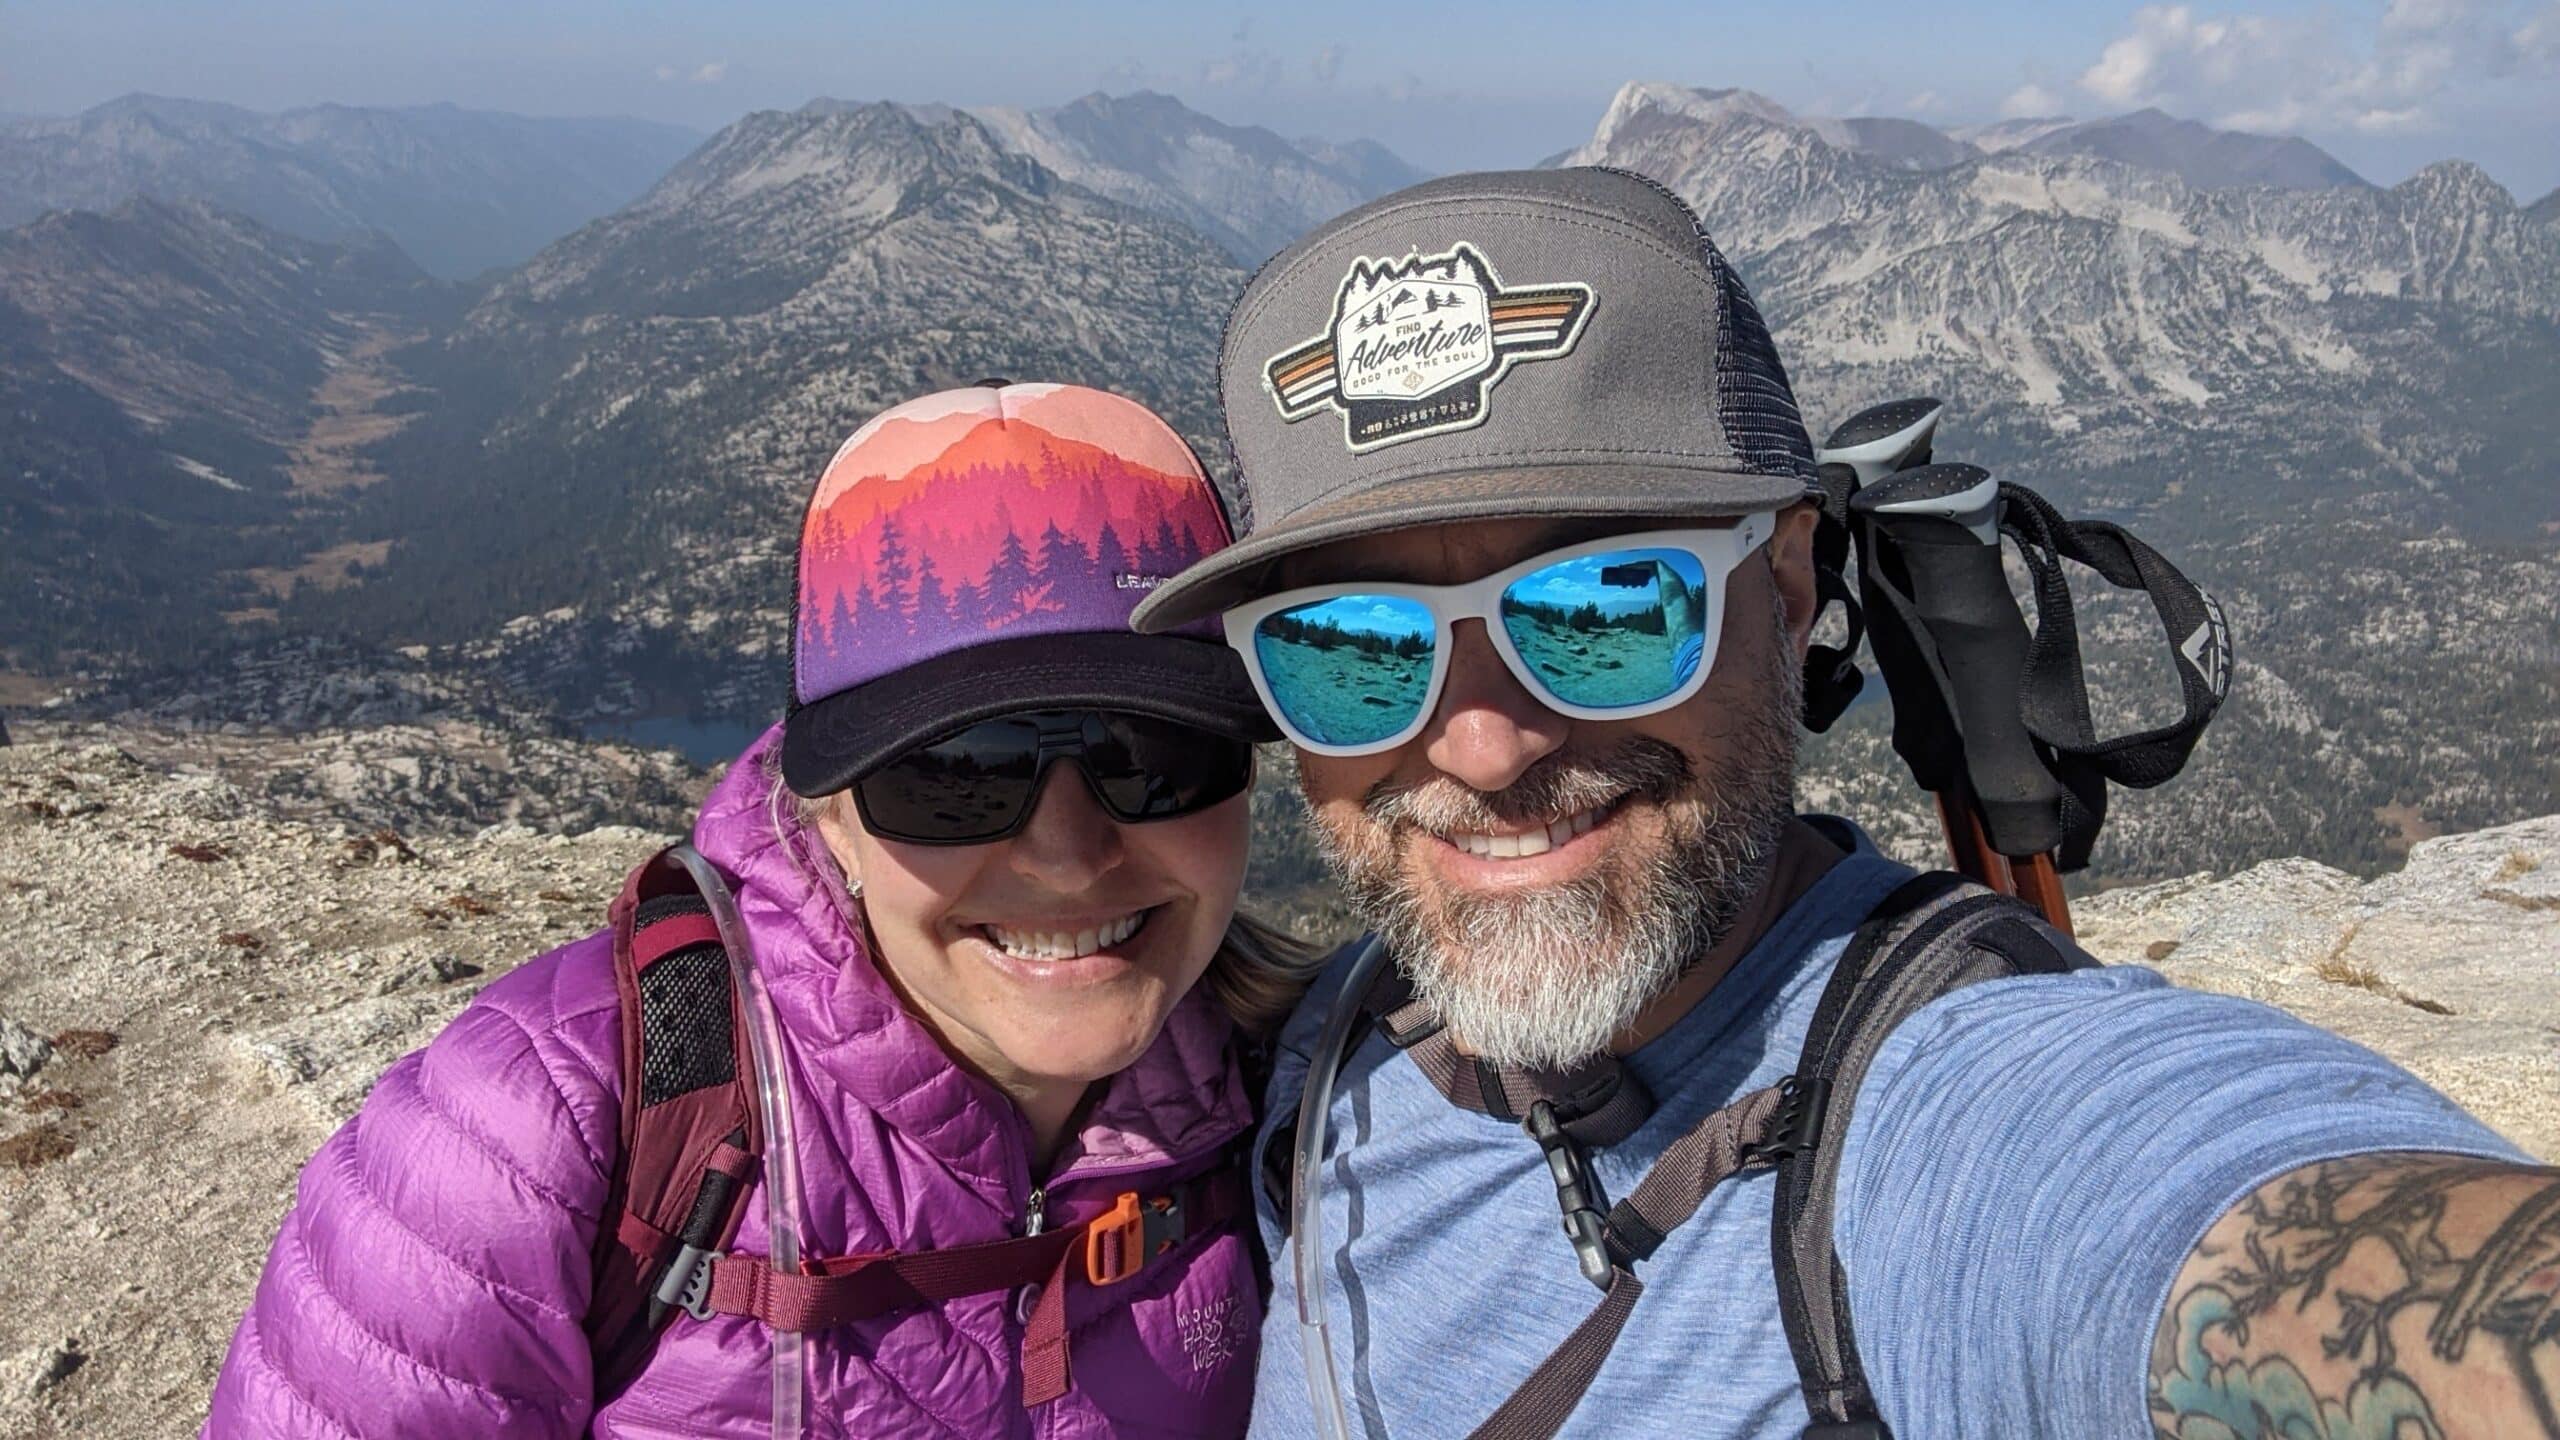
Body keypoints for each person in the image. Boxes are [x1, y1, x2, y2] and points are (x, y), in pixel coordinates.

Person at [1131, 169, 2559, 1438]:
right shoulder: (1328, 1055)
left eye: (1608, 604)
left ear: (1790, 583)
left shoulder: (1942, 1107)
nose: (1486, 747)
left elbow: (2223, 1222)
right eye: (1349, 648)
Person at [205, 381, 1320, 1437]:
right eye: (955, 776)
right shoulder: (530, 1139)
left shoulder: (1303, 1102)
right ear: (826, 813)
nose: (1071, 858)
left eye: (1156, 754)